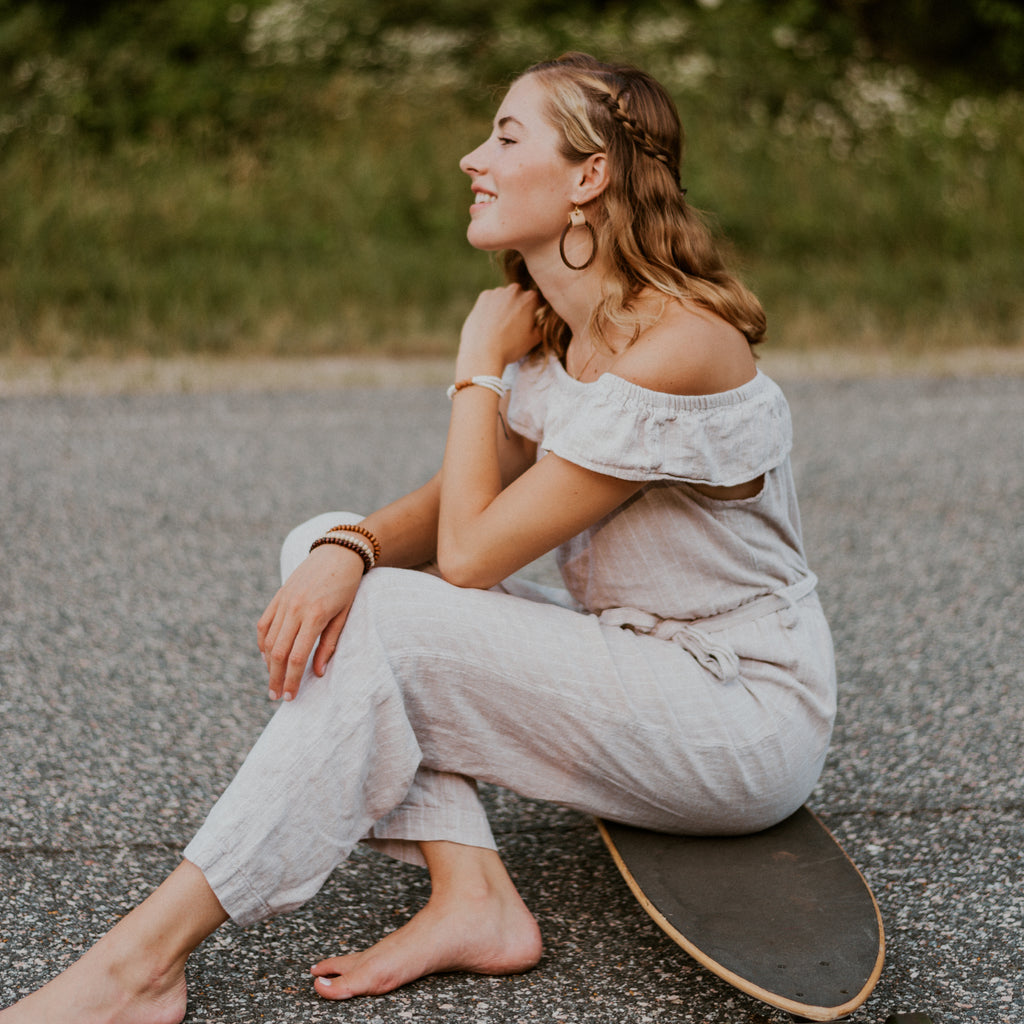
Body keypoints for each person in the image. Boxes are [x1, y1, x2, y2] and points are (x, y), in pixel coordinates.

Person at [0, 51, 836, 1024]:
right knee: (327, 549)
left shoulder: (682, 344)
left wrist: (476, 364)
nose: (470, 159)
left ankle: (139, 963)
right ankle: (471, 892)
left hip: (740, 709)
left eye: (506, 136)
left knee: (382, 611)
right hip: (637, 657)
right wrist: (342, 549)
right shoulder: (566, 341)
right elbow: (453, 510)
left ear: (588, 176)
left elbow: (473, 556)